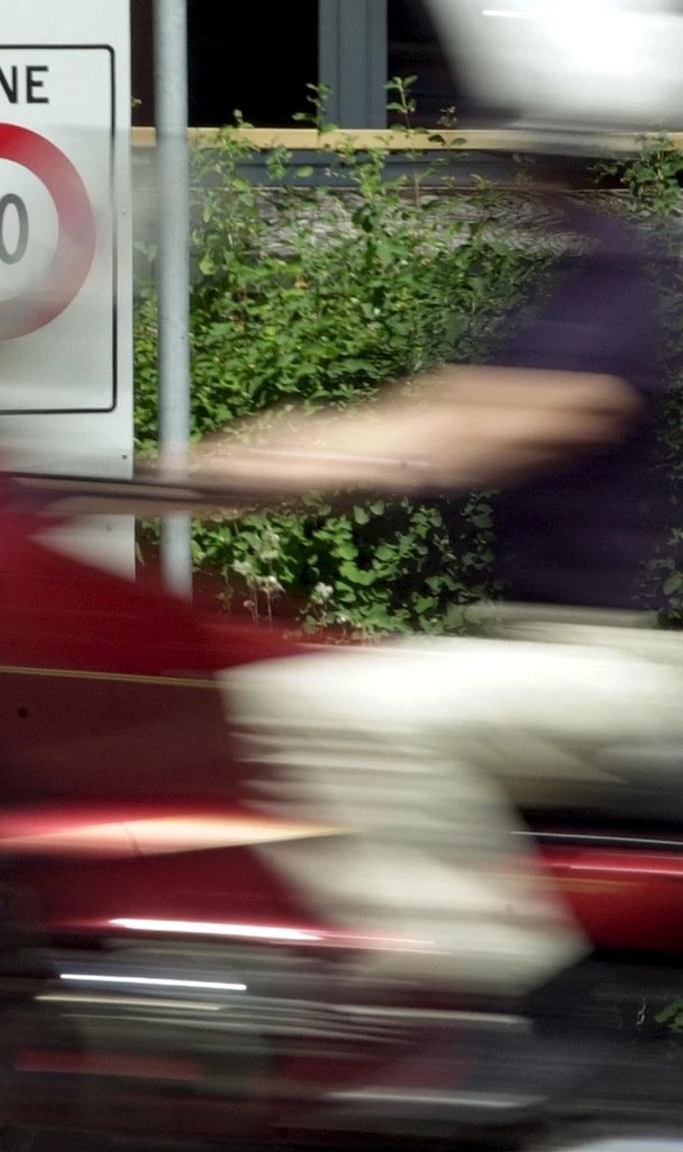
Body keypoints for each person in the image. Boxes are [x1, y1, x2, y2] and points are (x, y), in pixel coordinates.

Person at [185, 2, 683, 1007]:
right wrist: (224, 459)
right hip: (542, 652)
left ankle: (472, 1018)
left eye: (499, 123)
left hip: (601, 662)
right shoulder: (572, 276)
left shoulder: (626, 282)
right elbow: (438, 408)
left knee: (321, 709)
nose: (489, 150)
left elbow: (476, 427)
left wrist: (257, 466)